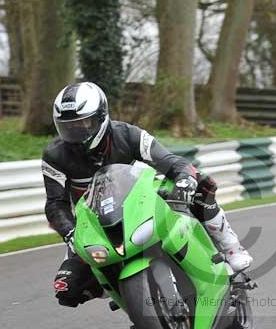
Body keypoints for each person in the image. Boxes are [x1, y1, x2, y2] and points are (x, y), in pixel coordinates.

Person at [42, 81, 253, 308]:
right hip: (95, 223)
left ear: (101, 117)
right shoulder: (55, 156)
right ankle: (121, 292)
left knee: (201, 184)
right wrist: (70, 233)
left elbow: (171, 162)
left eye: (83, 124)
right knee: (67, 289)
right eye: (68, 127)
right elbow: (55, 204)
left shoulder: (129, 135)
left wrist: (184, 180)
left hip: (145, 202)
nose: (76, 132)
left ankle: (232, 250)